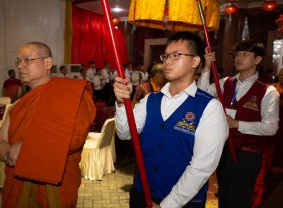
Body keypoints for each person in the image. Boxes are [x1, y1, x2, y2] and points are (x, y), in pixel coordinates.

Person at [114, 31, 228, 208]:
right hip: (141, 194)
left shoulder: (210, 108)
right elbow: (125, 134)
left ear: (195, 61)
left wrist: (168, 204)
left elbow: (202, 167)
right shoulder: (150, 99)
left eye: (176, 55)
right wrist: (122, 104)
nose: (167, 60)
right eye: (166, 55)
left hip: (183, 202)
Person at [0, 42, 96, 207]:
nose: (21, 66)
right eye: (18, 61)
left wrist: (28, 148)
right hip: (17, 184)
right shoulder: (19, 105)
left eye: (27, 60)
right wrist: (9, 155)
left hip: (55, 187)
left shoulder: (70, 95)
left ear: (48, 63)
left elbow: (75, 138)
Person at [197, 40, 280, 208]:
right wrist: (206, 68)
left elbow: (271, 128)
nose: (239, 58)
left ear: (257, 60)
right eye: (237, 54)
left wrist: (236, 124)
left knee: (239, 199)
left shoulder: (268, 91)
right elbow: (201, 95)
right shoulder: (226, 82)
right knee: (224, 196)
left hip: (249, 154)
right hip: (224, 149)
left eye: (245, 54)